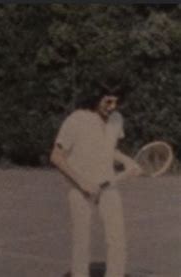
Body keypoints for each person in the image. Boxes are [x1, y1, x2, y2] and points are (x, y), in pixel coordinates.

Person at [50, 83, 142, 277]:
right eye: (108, 100)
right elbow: (56, 157)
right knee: (81, 241)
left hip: (109, 187)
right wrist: (82, 182)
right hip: (80, 188)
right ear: (96, 96)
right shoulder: (76, 119)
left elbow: (110, 149)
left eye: (117, 101)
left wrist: (127, 161)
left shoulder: (117, 119)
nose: (113, 106)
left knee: (117, 239)